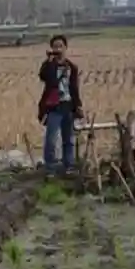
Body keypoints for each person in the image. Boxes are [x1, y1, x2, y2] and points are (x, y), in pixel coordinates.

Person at [37, 34, 84, 174]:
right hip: (53, 107)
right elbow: (47, 80)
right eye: (55, 46)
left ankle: (68, 165)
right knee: (51, 139)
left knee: (68, 139)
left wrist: (78, 106)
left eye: (60, 46)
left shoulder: (72, 67)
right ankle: (50, 167)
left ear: (65, 48)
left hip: (68, 106)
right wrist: (50, 62)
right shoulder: (48, 66)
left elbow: (74, 89)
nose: (58, 49)